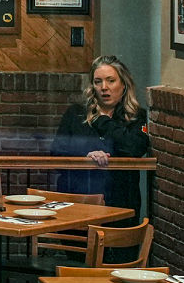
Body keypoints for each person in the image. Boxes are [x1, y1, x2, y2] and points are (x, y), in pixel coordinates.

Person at [51, 55, 150, 216]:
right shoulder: (76, 114)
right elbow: (56, 153)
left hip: (120, 204)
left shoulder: (136, 116)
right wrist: (86, 156)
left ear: (123, 85)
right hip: (78, 201)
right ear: (92, 86)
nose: (104, 87)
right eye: (98, 82)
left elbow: (135, 147)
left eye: (111, 81)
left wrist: (102, 120)